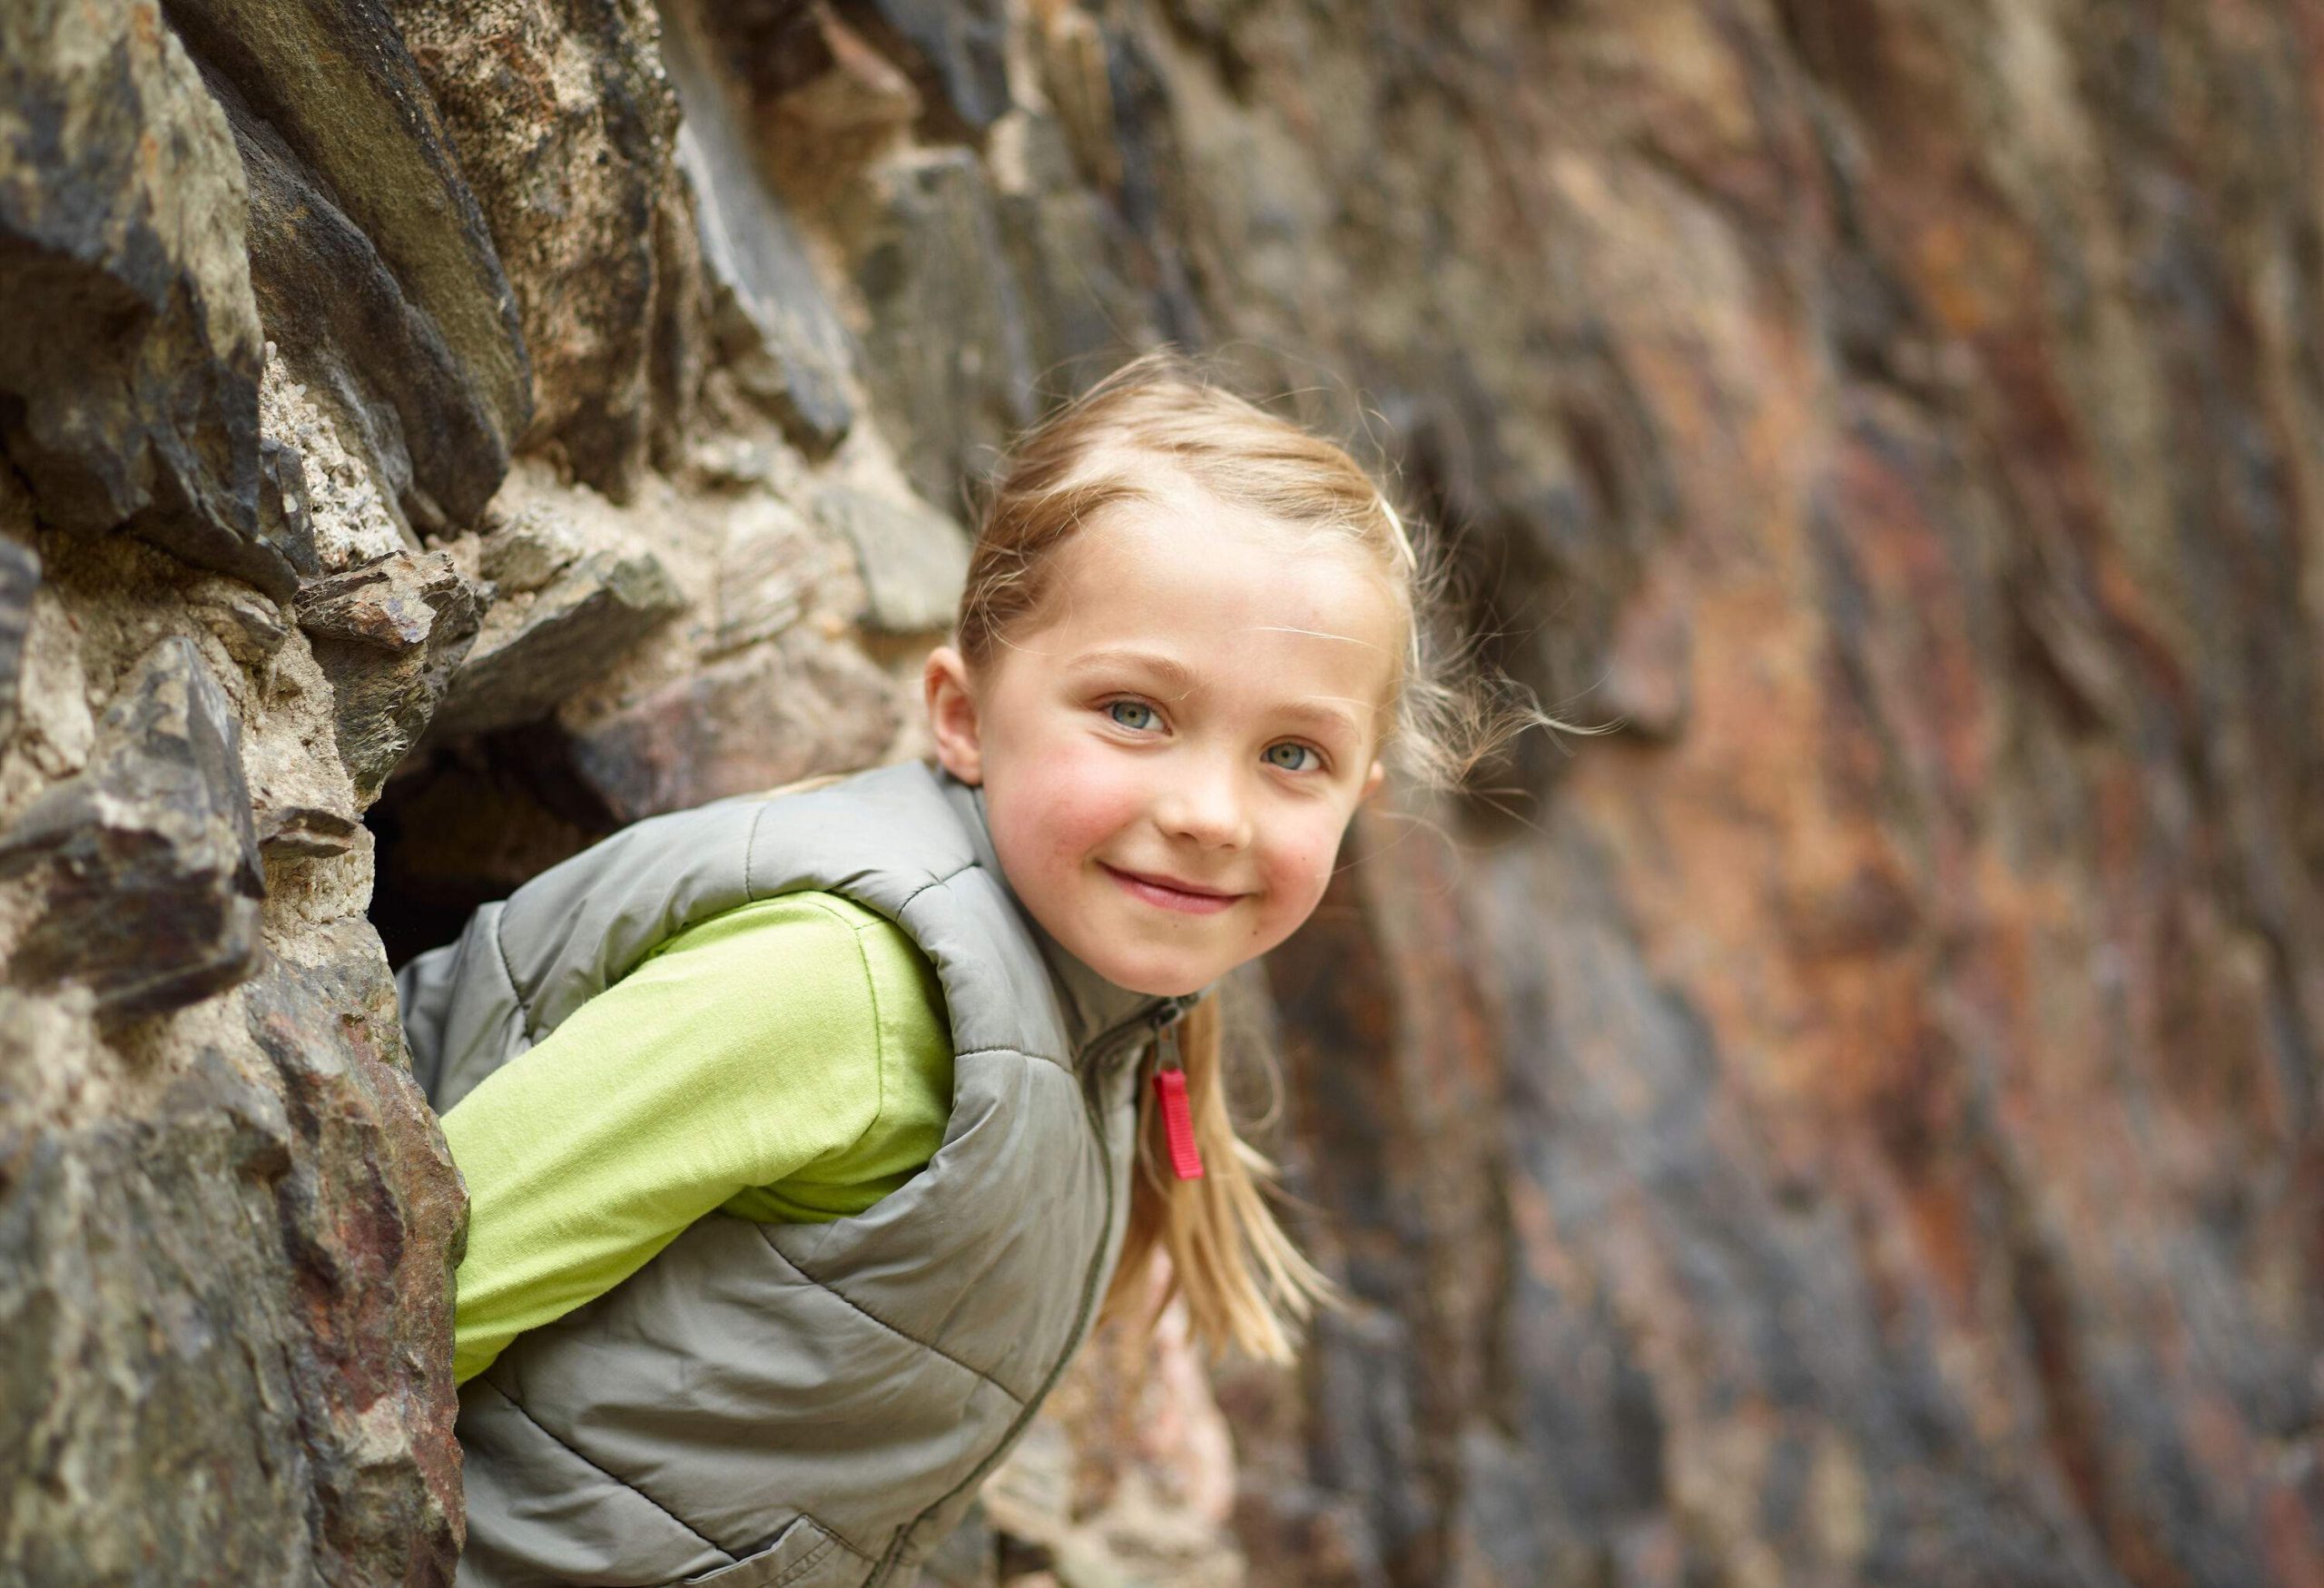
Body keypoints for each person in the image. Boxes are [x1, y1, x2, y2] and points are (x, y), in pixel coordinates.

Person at [395, 349, 1556, 1588]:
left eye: (1291, 754)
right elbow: (400, 1314)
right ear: (962, 714)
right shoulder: (847, 992)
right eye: (1134, 712)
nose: (1213, 810)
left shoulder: (1116, 1019)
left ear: (1358, 798)